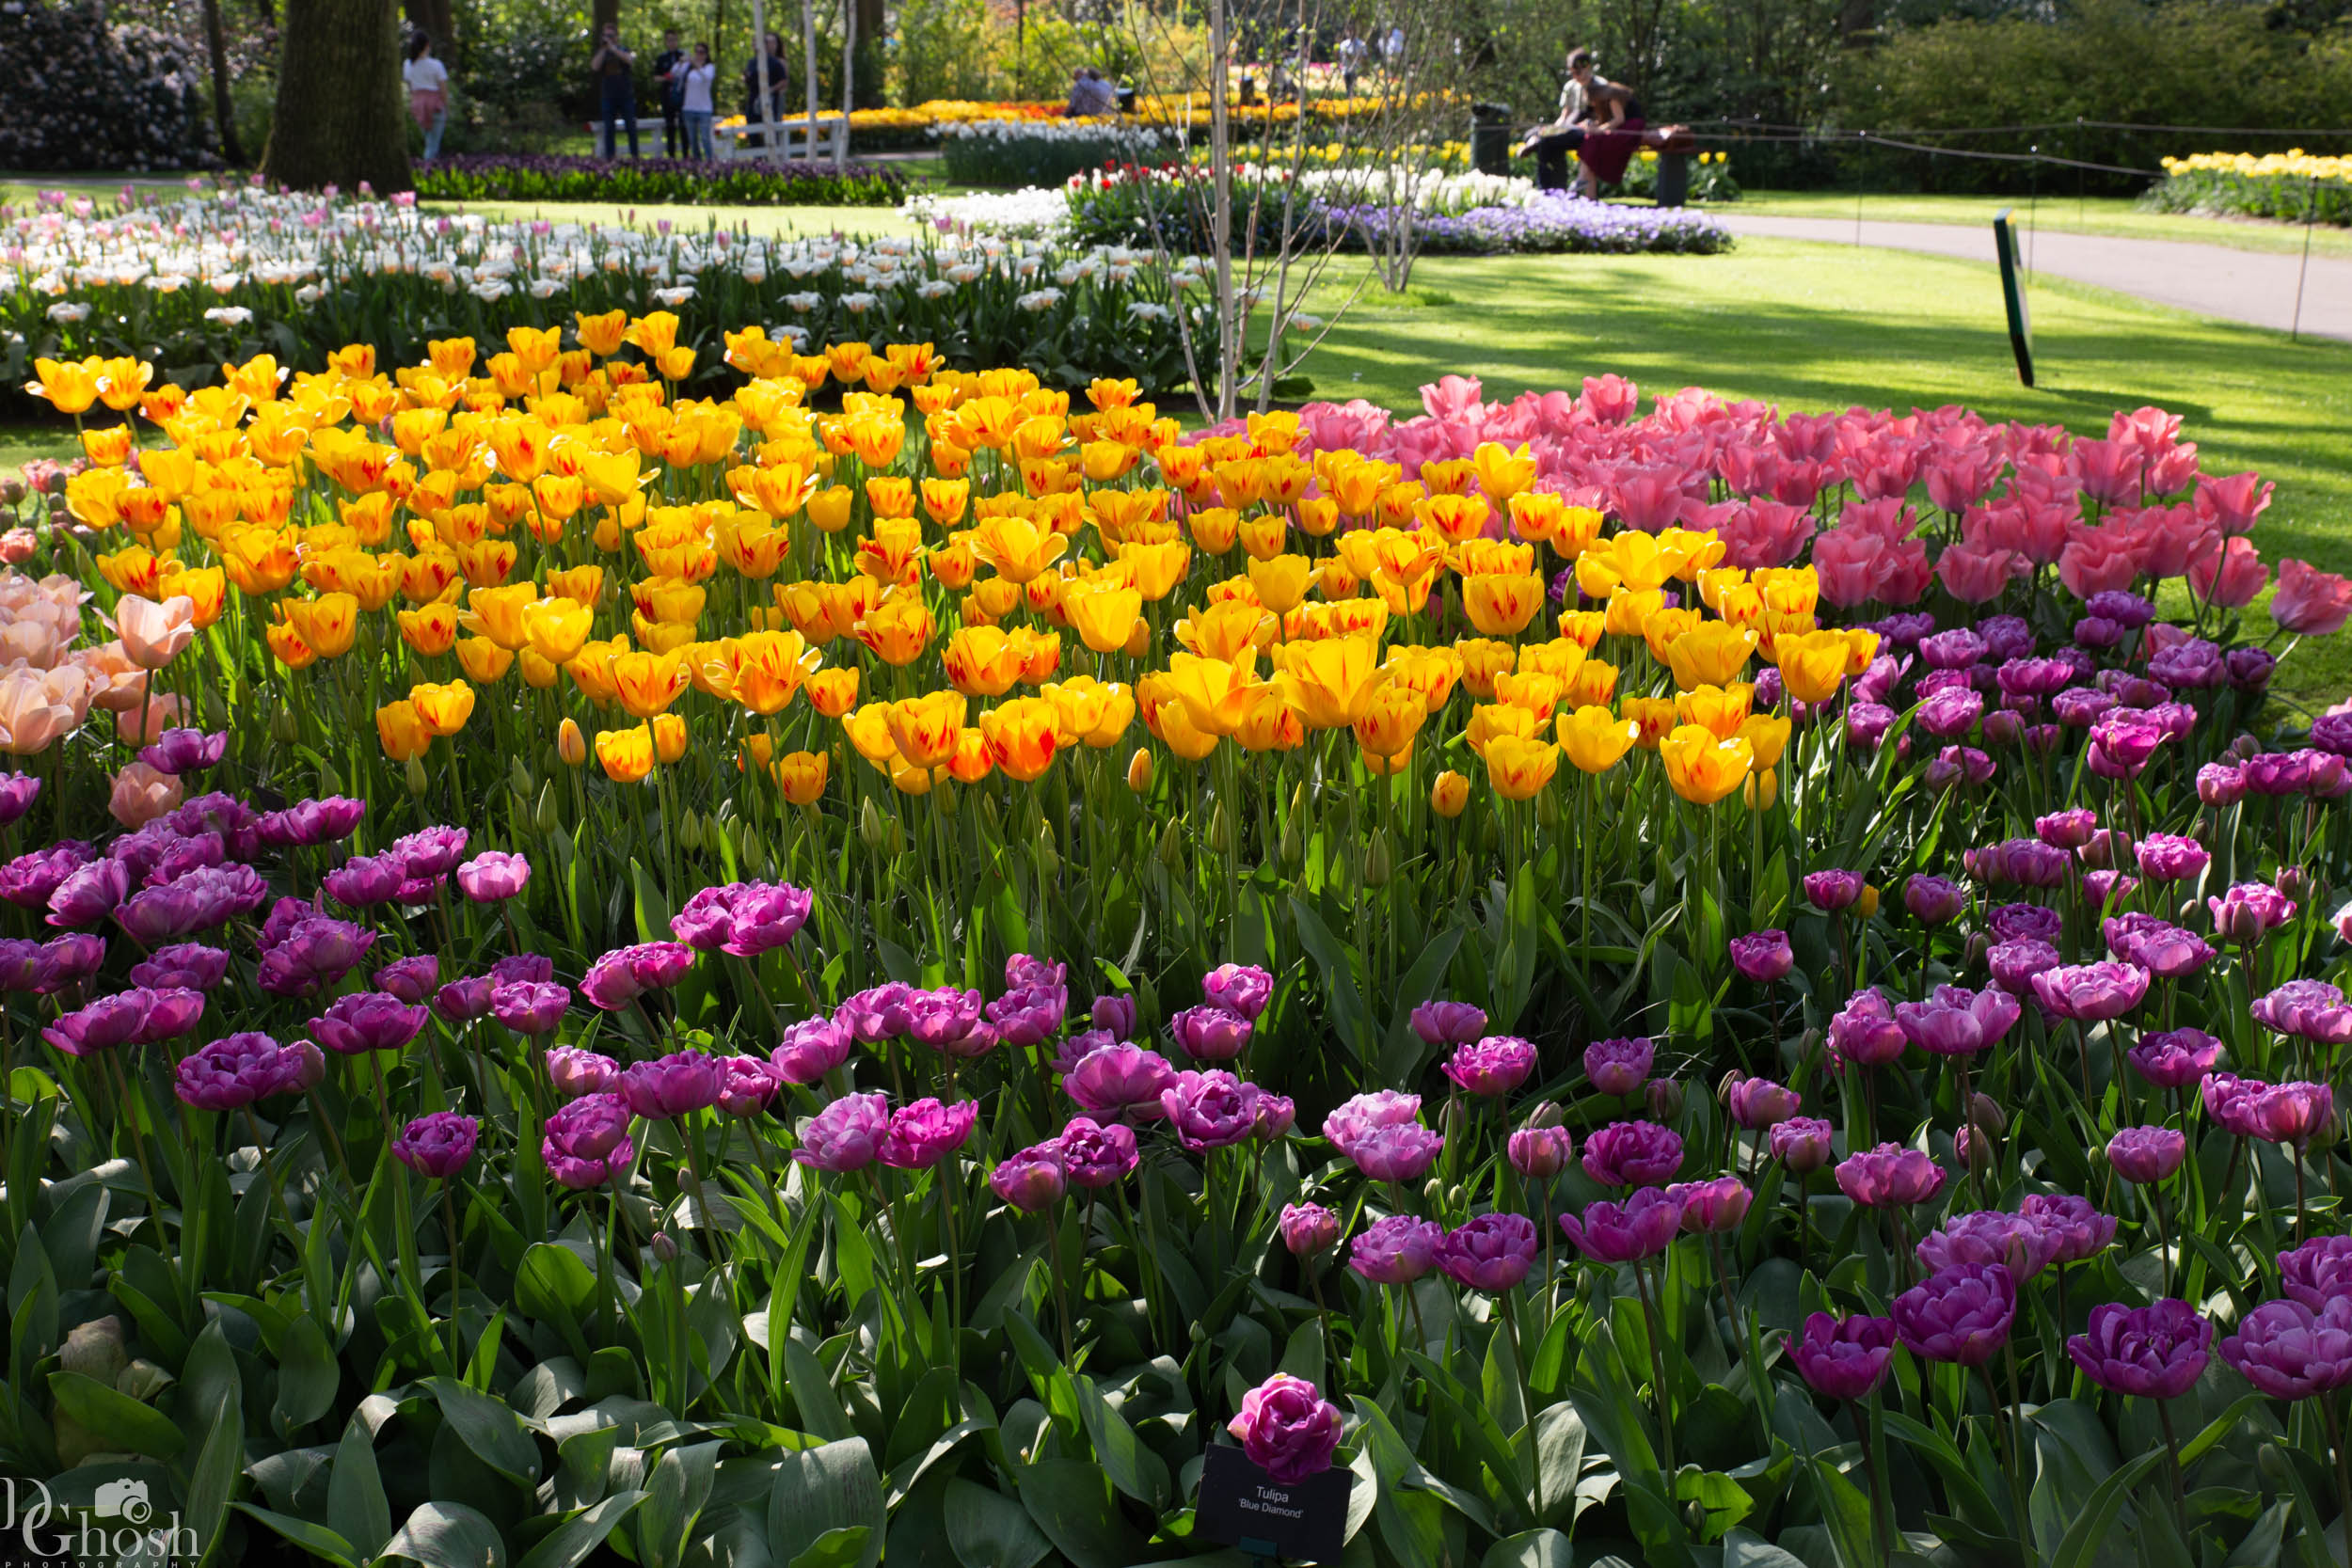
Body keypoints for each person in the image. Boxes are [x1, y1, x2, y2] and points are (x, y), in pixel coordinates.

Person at [1518, 46, 1593, 195]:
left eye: (1578, 71)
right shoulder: (1570, 86)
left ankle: (1546, 188)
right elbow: (1565, 115)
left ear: (1587, 67)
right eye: (1572, 72)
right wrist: (1553, 129)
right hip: (1567, 127)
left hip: (1584, 131)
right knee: (1539, 136)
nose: (1575, 75)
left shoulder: (1597, 86)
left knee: (1545, 140)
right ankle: (1553, 189)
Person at [1573, 57, 1647, 198]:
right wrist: (1593, 126)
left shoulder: (1613, 96)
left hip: (1632, 127)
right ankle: (1589, 195)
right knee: (1591, 142)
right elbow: (1607, 122)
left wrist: (1599, 130)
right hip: (1625, 126)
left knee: (1593, 142)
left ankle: (1581, 180)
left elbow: (1619, 119)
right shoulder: (1605, 100)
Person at [590, 24, 639, 160]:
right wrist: (604, 49)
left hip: (626, 96)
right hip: (608, 96)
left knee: (631, 128)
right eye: (606, 36)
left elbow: (630, 60)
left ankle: (635, 157)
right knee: (609, 129)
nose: (608, 39)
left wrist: (613, 48)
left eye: (611, 36)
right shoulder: (602, 52)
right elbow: (594, 66)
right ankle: (610, 158)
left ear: (616, 37)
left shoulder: (623, 49)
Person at [403, 31, 450, 163]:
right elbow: (443, 89)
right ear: (427, 45)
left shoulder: (407, 65)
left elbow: (410, 86)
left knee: (429, 140)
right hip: (435, 105)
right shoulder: (436, 65)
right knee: (433, 145)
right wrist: (446, 107)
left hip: (417, 104)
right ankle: (428, 171)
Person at [742, 32, 790, 129]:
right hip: (756, 99)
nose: (771, 45)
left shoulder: (779, 62)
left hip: (774, 99)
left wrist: (770, 90)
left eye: (773, 42)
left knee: (773, 126)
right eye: (769, 42)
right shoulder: (754, 61)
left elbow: (784, 82)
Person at [679, 42, 718, 161]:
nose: (698, 54)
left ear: (706, 54)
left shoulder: (709, 67)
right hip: (689, 108)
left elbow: (707, 77)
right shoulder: (688, 68)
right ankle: (697, 164)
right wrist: (681, 62)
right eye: (696, 51)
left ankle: (710, 162)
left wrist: (696, 65)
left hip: (704, 110)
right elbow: (675, 73)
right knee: (692, 140)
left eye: (701, 52)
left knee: (705, 138)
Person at [652, 30, 687, 159]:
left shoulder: (683, 56)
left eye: (674, 39)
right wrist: (667, 78)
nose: (672, 42)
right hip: (668, 97)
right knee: (670, 127)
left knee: (684, 127)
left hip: (682, 98)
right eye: (669, 40)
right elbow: (655, 78)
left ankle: (686, 155)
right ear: (666, 42)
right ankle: (671, 157)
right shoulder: (662, 58)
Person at [1336, 28, 1367, 95]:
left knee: (1354, 84)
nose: (1350, 33)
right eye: (1348, 31)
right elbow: (1340, 56)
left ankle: (1354, 96)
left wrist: (1356, 59)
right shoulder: (1343, 44)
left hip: (1356, 68)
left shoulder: (1361, 44)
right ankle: (1349, 97)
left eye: (1351, 31)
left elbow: (1364, 56)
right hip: (1346, 68)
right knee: (1348, 84)